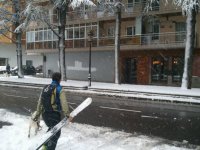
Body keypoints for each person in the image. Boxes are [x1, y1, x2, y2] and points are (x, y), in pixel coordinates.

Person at [34, 72, 72, 150]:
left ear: (52, 79)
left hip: (45, 115)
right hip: (54, 115)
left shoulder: (45, 88)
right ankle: (48, 148)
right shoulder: (59, 88)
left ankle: (45, 145)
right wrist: (67, 115)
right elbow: (64, 102)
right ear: (60, 79)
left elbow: (40, 102)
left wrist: (37, 114)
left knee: (51, 129)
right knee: (56, 133)